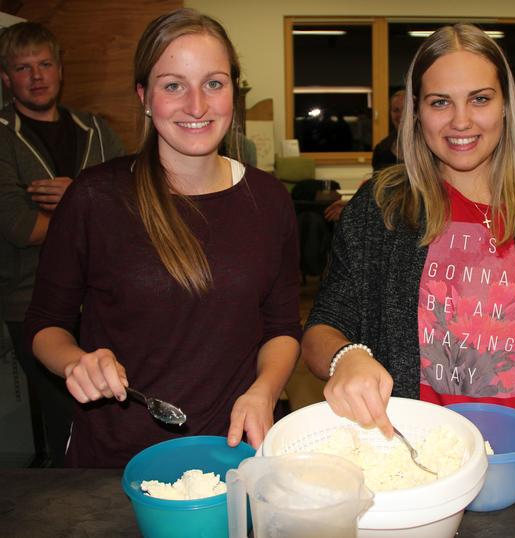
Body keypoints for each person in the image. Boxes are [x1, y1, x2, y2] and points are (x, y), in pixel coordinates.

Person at [301, 24, 515, 472]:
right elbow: (321, 331)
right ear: (415, 112)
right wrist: (346, 357)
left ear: (507, 107)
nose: (461, 121)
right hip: (405, 463)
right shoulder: (380, 210)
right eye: (440, 102)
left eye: (480, 98)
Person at [24, 8, 301, 468]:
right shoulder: (95, 198)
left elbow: (282, 328)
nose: (197, 105)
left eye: (214, 83)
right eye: (174, 85)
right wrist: (75, 361)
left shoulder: (268, 200)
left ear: (234, 91)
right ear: (145, 97)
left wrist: (263, 391)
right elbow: (44, 324)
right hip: (114, 458)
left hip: (231, 450)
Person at [0, 22, 124, 466]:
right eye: (22, 67)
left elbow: (130, 207)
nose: (37, 76)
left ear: (59, 69)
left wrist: (73, 198)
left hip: (106, 299)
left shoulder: (94, 128)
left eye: (45, 64)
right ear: (5, 77)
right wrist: (88, 202)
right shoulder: (2, 135)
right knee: (64, 423)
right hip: (30, 304)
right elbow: (19, 225)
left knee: (111, 414)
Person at [324, 91, 405, 223]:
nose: (400, 115)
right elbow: (377, 193)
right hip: (385, 218)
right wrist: (351, 206)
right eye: (396, 110)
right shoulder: (382, 148)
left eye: (405, 109)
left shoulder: (428, 147)